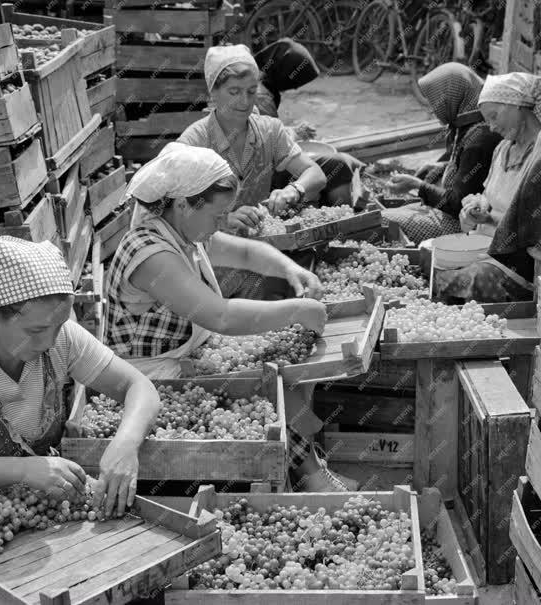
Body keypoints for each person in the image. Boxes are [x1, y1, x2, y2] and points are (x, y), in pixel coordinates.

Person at [104, 142, 350, 491]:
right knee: (262, 389)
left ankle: (311, 469)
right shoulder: (149, 254)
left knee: (277, 369)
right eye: (217, 216)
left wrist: (292, 271)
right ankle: (308, 476)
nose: (222, 224)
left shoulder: (184, 232)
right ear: (183, 204)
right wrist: (296, 310)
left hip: (189, 355)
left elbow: (249, 252)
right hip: (150, 377)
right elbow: (220, 317)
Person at [0, 237, 161, 518]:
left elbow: (139, 387)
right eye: (35, 331)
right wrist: (22, 470)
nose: (48, 342)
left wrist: (125, 445)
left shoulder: (63, 338)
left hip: (37, 512)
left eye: (58, 325)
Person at [176, 43, 328, 299]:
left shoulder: (269, 131)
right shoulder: (194, 142)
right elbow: (174, 213)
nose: (244, 101)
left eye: (251, 91)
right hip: (211, 261)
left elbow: (316, 175)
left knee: (307, 269)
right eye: (234, 91)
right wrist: (224, 220)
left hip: (261, 250)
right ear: (213, 92)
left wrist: (294, 190)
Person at [432, 72, 541, 302]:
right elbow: (487, 199)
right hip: (484, 248)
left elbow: (531, 224)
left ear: (518, 105)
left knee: (450, 282)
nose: (492, 128)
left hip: (515, 264)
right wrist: (475, 206)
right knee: (430, 261)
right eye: (488, 120)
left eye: (494, 116)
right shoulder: (502, 150)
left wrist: (488, 219)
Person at [382, 63, 502, 243]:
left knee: (382, 220)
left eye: (435, 102)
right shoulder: (469, 126)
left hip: (461, 226)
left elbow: (457, 205)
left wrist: (417, 185)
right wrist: (441, 167)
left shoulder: (479, 140)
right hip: (449, 215)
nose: (431, 110)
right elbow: (470, 172)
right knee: (389, 214)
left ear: (452, 98)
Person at [254, 37, 366, 207]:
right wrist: (295, 134)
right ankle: (344, 215)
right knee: (339, 164)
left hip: (268, 165)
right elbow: (269, 143)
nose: (295, 87)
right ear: (284, 71)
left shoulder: (263, 88)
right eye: (295, 81)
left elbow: (266, 129)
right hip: (265, 176)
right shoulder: (261, 98)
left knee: (345, 159)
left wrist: (292, 131)